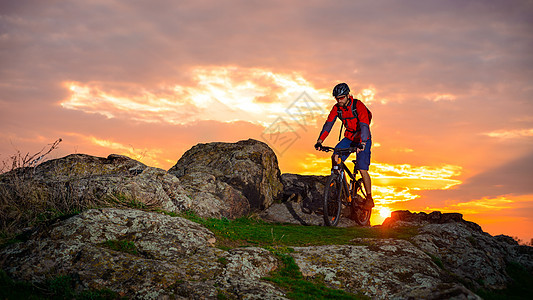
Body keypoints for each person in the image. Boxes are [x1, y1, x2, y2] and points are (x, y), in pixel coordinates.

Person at [314, 82, 374, 209]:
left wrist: (362, 143)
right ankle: (340, 184)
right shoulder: (337, 108)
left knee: (362, 168)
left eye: (341, 98)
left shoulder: (358, 105)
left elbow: (364, 125)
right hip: (349, 137)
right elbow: (328, 124)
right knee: (335, 156)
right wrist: (320, 141)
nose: (339, 101)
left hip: (363, 138)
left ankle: (369, 197)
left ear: (347, 96)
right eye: (337, 98)